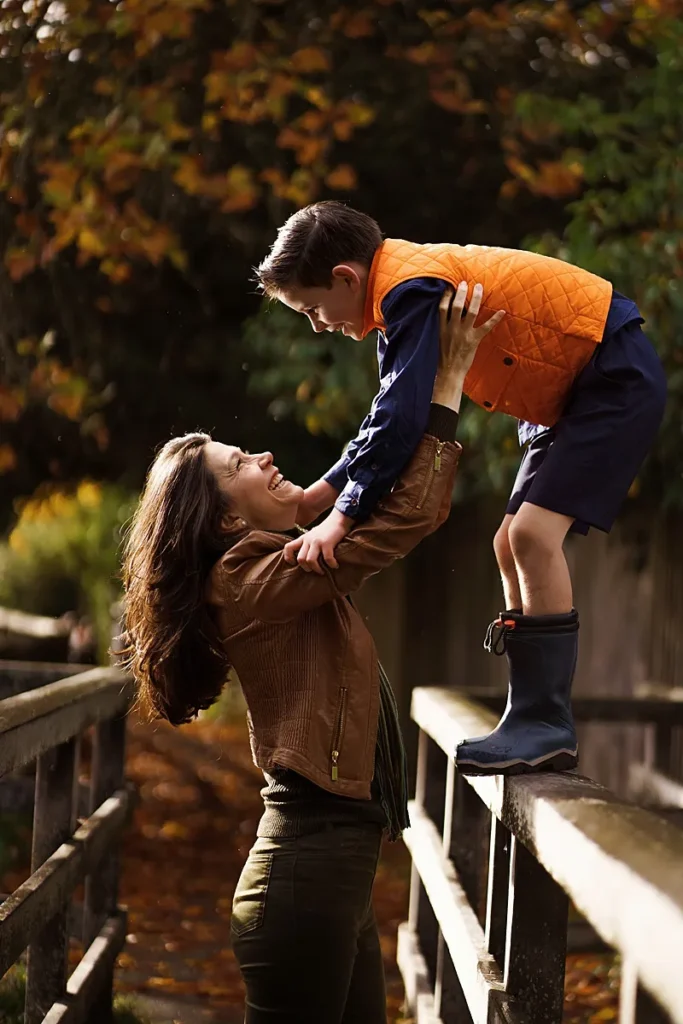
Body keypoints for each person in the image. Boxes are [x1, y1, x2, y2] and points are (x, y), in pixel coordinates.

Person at [121, 284, 500, 1024]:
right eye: (241, 462)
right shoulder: (244, 576)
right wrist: (446, 380)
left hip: (332, 873)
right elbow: (397, 521)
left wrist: (409, 384)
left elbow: (368, 480)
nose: (263, 454)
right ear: (227, 515)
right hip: (306, 875)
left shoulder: (266, 567)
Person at [254, 201, 667, 777]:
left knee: (529, 536)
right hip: (572, 396)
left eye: (313, 309)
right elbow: (388, 414)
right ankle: (529, 717)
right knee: (508, 544)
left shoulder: (409, 290)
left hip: (609, 374)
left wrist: (342, 516)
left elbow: (403, 421)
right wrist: (320, 495)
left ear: (345, 278)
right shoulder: (399, 295)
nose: (318, 325)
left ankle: (546, 724)